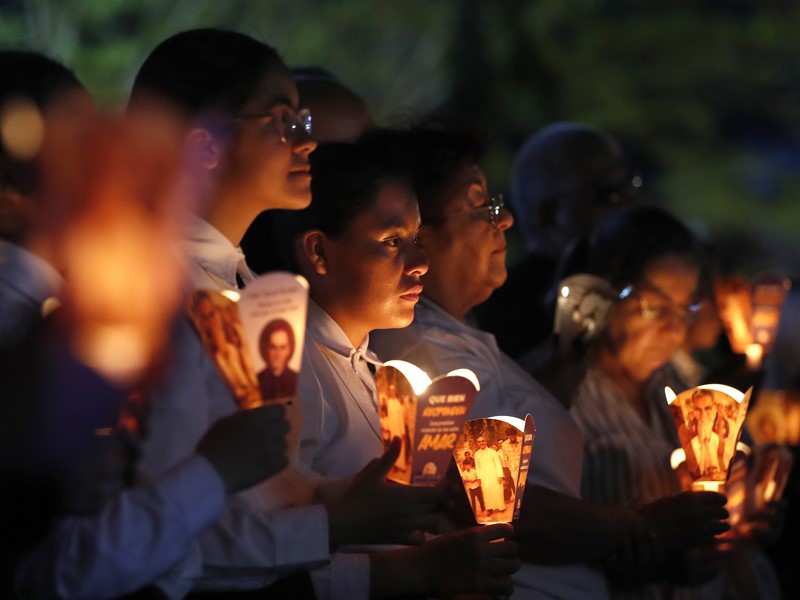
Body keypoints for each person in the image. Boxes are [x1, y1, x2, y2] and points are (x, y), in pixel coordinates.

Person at [127, 29, 445, 599]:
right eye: (282, 120)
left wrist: (353, 496)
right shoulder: (156, 289)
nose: (308, 141)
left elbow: (267, 486)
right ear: (203, 146)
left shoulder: (246, 286)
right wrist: (343, 529)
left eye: (303, 120)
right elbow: (159, 532)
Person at [367, 125, 728, 600]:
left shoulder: (464, 338)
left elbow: (513, 422)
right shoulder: (422, 354)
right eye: (482, 207)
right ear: (417, 230)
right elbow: (490, 494)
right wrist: (639, 525)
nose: (505, 221)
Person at [280, 140, 520, 598]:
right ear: (319, 252)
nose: (420, 263)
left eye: (416, 240)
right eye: (392, 242)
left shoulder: (376, 372)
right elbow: (266, 550)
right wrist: (412, 571)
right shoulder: (293, 372)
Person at [565, 205, 782, 598]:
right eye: (653, 307)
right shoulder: (561, 401)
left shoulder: (679, 385)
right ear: (604, 294)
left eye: (686, 308)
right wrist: (646, 562)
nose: (674, 328)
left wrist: (748, 513)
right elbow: (544, 542)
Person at [475, 121, 640, 362]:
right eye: (607, 193)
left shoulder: (638, 276)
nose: (627, 203)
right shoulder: (509, 310)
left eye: (629, 184)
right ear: (550, 213)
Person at [256, 318, 299, 400]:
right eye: (273, 347)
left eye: (282, 347)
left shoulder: (298, 379)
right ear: (266, 348)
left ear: (289, 349)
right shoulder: (256, 381)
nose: (278, 354)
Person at [473, 436, 506, 516]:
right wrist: (479, 478)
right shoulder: (476, 454)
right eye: (479, 442)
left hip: (494, 474)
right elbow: (477, 467)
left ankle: (501, 507)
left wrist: (500, 475)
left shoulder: (492, 452)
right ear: (477, 443)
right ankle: (489, 509)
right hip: (484, 477)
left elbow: (498, 464)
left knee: (497, 490)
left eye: (483, 441)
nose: (481, 443)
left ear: (486, 442)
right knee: (487, 492)